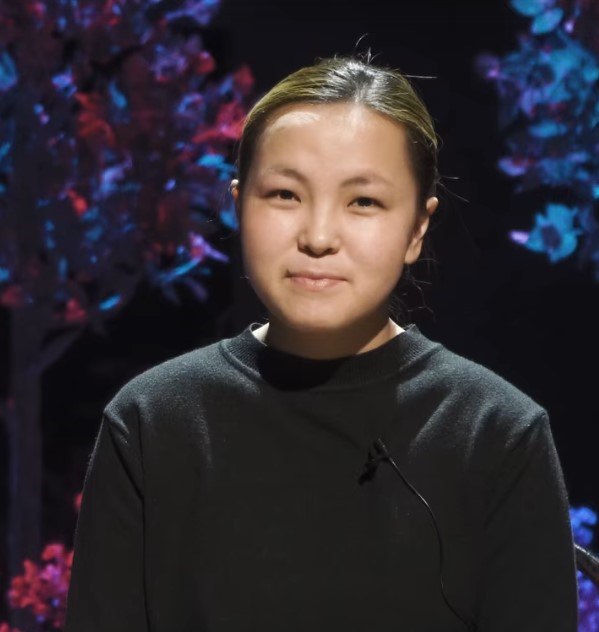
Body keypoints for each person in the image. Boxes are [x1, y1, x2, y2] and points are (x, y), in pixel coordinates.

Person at [64, 53, 579, 631]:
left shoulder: (498, 434)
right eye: (285, 194)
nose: (318, 236)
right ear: (237, 204)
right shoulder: (152, 422)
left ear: (417, 228)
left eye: (364, 201)